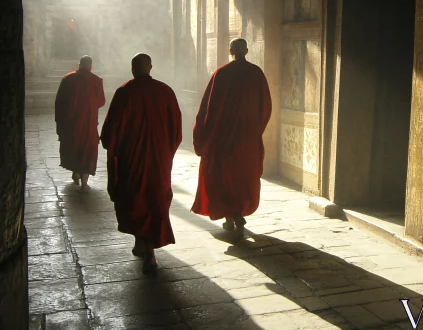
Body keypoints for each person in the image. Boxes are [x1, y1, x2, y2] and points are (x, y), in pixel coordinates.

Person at [101, 53, 182, 273]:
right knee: (154, 200)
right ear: (150, 67)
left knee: (135, 199)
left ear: (132, 68)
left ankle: (145, 246)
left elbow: (109, 133)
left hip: (131, 160)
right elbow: (177, 131)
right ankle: (148, 246)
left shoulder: (124, 92)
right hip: (158, 161)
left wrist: (115, 146)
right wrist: (166, 152)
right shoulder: (165, 92)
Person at [191, 38, 272, 239]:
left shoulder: (222, 74)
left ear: (230, 51)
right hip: (247, 140)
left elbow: (209, 110)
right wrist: (255, 130)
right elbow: (266, 107)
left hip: (223, 140)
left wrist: (204, 137)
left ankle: (231, 215)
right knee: (243, 176)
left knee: (222, 177)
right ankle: (236, 214)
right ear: (246, 50)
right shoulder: (256, 74)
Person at [55, 55, 105, 193]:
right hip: (88, 123)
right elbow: (101, 101)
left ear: (79, 65)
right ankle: (84, 181)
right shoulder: (96, 80)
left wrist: (60, 123)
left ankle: (75, 172)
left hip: (71, 123)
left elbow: (59, 102)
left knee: (73, 146)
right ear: (90, 66)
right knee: (87, 149)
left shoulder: (68, 79)